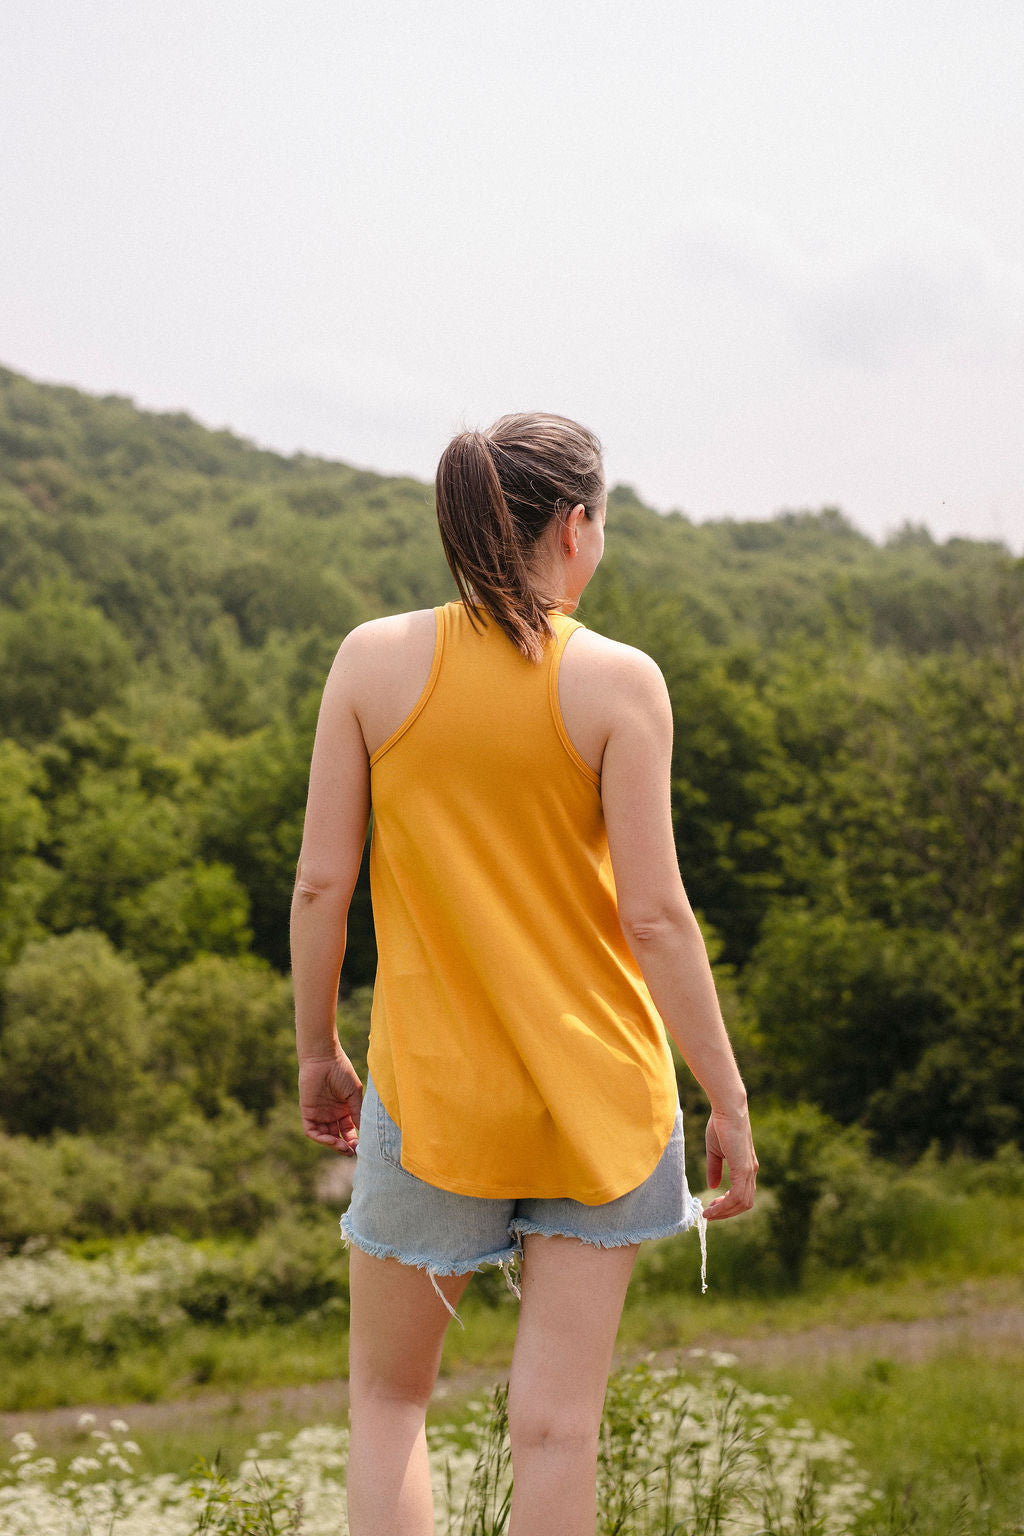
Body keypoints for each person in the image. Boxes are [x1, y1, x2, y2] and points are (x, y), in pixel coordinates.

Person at [290, 412, 757, 1536]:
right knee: (556, 1432)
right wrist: (726, 1096)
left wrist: (318, 1051)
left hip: (437, 1097)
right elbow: (656, 917)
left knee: (390, 1402)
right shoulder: (621, 683)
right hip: (596, 1101)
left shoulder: (370, 661)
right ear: (577, 526)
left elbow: (319, 886)